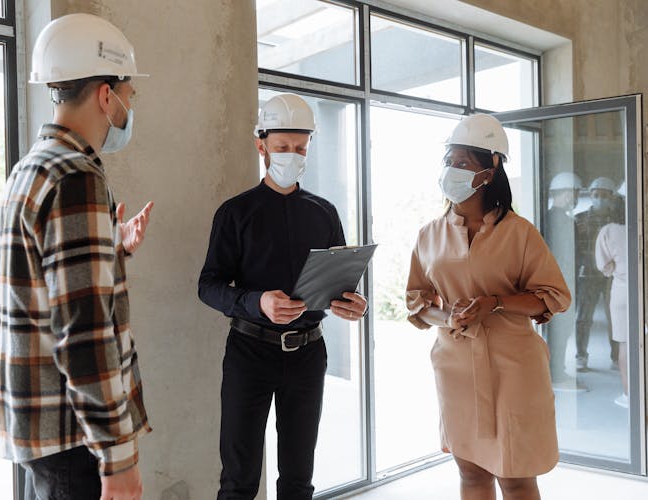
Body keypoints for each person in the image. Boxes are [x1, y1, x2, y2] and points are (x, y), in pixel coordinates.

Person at [0, 13, 153, 500]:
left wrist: (112, 247)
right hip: (74, 436)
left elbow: (44, 285)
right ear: (107, 95)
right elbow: (83, 331)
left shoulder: (32, 166)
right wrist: (117, 457)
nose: (129, 106)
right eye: (129, 94)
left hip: (42, 426)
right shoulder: (76, 175)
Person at [198, 93, 368, 500]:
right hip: (249, 354)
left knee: (298, 479)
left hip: (308, 356)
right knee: (238, 479)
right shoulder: (234, 213)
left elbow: (340, 282)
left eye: (300, 148)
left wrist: (351, 301)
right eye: (282, 147)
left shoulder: (324, 213)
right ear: (261, 146)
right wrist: (256, 301)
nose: (292, 155)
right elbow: (208, 285)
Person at [406, 114, 570, 500]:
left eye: (461, 163)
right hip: (456, 367)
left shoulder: (519, 233)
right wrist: (447, 316)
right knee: (471, 473)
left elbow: (552, 296)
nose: (450, 170)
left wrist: (494, 304)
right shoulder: (429, 234)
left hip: (513, 367)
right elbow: (416, 300)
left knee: (515, 476)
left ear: (490, 168)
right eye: (448, 161)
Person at [544, 172, 587, 391]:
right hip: (561, 283)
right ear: (567, 193)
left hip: (558, 282)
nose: (576, 197)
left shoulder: (549, 217)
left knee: (559, 329)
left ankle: (556, 370)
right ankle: (556, 373)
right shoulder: (562, 221)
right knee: (561, 329)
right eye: (576, 193)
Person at [574, 177, 619, 371]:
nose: (600, 199)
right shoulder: (579, 219)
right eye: (596, 195)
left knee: (615, 317)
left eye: (604, 195)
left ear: (611, 197)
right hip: (589, 275)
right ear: (590, 196)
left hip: (613, 276)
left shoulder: (619, 220)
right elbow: (574, 251)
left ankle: (617, 357)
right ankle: (581, 356)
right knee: (584, 318)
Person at [595, 181, 629, 408]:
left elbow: (604, 266)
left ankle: (629, 395)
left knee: (625, 346)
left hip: (622, 293)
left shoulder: (609, 231)